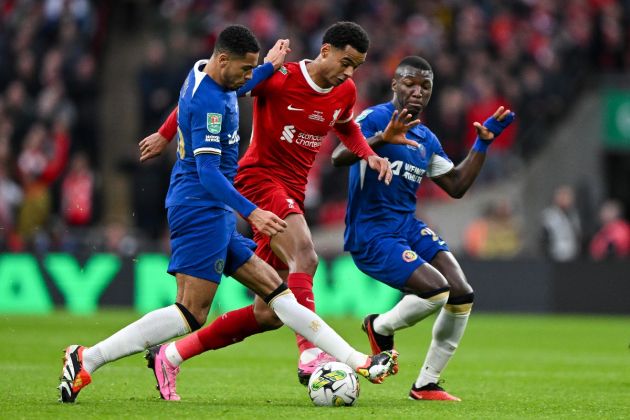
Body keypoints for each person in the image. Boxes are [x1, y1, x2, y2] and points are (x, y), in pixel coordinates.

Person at [58, 25, 397, 404]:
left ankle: (358, 361)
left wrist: (166, 132)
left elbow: (205, 94)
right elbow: (207, 170)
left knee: (277, 301)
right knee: (193, 310)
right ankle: (89, 357)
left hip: (222, 202)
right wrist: (251, 214)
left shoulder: (205, 72)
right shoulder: (216, 102)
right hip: (205, 201)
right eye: (247, 70)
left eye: (255, 70)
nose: (250, 80)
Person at [331, 56, 515, 401]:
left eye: (425, 86)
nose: (417, 91)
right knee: (435, 290)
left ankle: (426, 383)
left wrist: (483, 143)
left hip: (407, 226)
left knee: (461, 292)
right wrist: (383, 139)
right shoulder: (375, 118)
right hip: (371, 232)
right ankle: (379, 326)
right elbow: (339, 155)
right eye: (410, 83)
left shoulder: (426, 138)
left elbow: (457, 185)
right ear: (395, 85)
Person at [540, 185, 582, 261]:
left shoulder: (574, 215)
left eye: (567, 196)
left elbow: (577, 236)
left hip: (572, 257)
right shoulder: (549, 215)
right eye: (561, 196)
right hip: (554, 258)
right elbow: (544, 239)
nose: (564, 199)